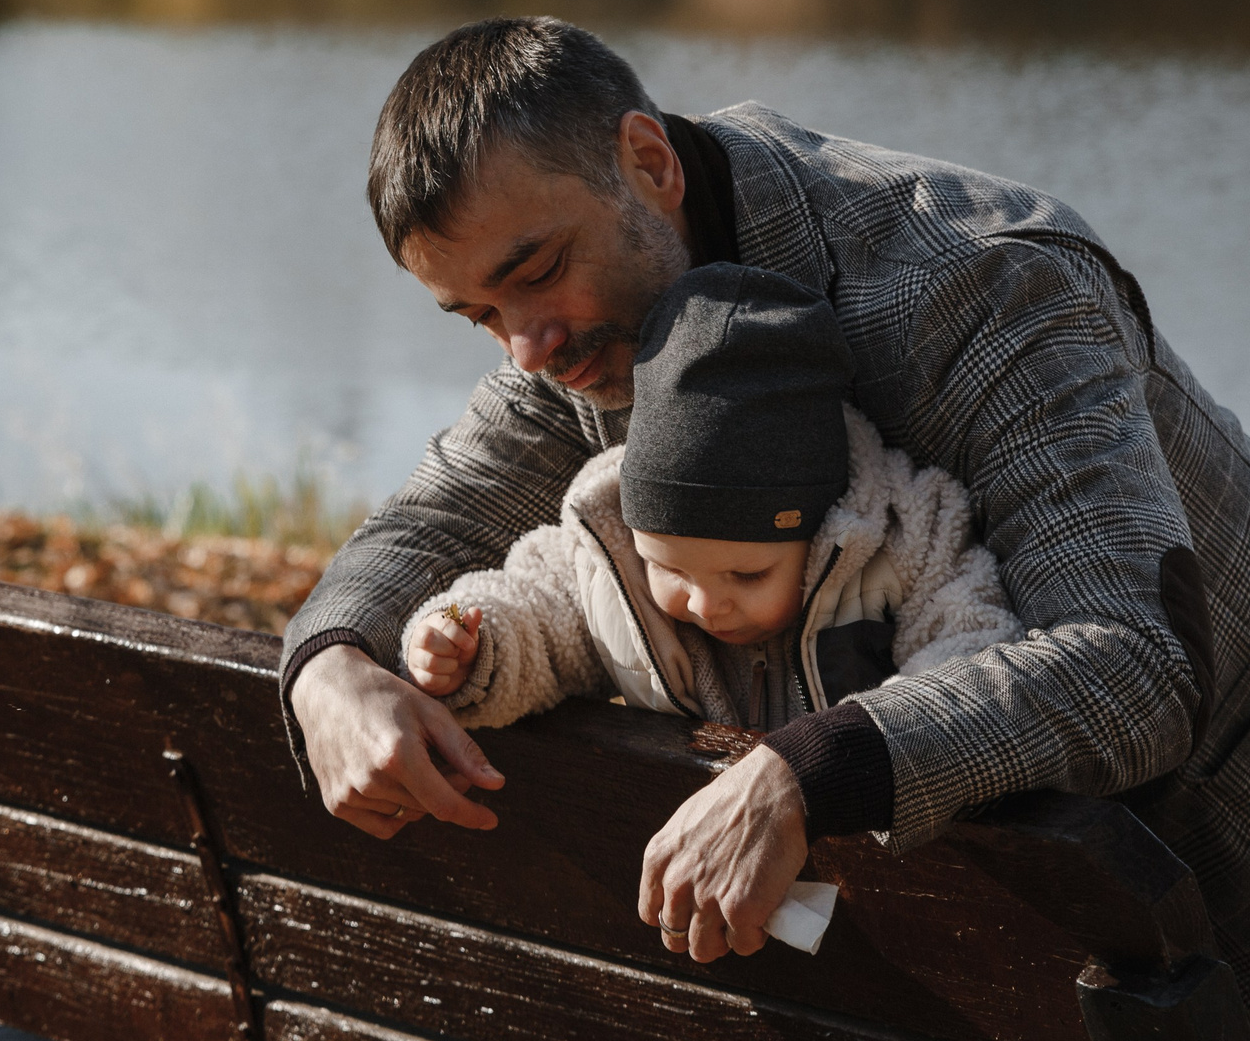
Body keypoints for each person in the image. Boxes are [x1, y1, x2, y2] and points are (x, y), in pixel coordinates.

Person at [283, 16, 1250, 1041]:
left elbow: (1135, 665)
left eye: (535, 273)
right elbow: (440, 513)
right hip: (1041, 912)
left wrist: (806, 771)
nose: (524, 348)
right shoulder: (577, 325)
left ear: (647, 161)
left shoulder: (976, 282)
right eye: (476, 315)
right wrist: (330, 659)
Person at [403, 263, 1020, 766]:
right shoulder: (611, 554)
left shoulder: (907, 546)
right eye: (669, 569)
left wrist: (853, 749)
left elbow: (972, 646)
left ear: (822, 530)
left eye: (747, 575)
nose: (703, 605)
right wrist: (474, 646)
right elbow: (541, 611)